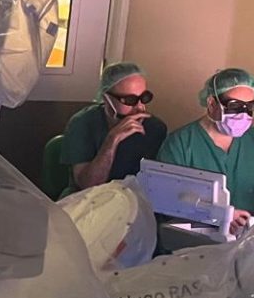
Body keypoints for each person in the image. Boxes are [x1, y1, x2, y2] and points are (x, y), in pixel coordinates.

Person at [159, 67, 254, 233]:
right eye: (234, 106)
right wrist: (217, 215)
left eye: (249, 106)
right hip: (197, 240)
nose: (243, 114)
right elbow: (166, 200)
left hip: (251, 237)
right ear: (212, 104)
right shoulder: (180, 143)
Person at [44, 62, 167, 198]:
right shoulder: (82, 124)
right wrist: (112, 140)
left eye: (144, 97)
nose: (139, 107)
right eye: (130, 100)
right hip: (86, 198)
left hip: (131, 199)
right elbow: (89, 186)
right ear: (106, 99)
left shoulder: (155, 129)